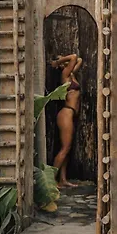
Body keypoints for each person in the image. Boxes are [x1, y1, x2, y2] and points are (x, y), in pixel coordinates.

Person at [50, 53, 82, 188]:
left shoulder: (71, 74)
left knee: (66, 149)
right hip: (66, 113)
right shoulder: (65, 75)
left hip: (70, 114)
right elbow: (74, 57)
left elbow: (79, 60)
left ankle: (63, 179)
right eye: (62, 59)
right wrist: (58, 62)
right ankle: (51, 180)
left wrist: (62, 61)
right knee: (65, 148)